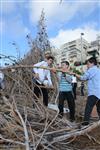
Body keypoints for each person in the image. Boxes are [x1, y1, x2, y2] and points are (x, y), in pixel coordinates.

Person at [74, 57, 100, 125]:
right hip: (99, 93)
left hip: (93, 93)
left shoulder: (91, 70)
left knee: (88, 109)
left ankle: (85, 124)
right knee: (99, 109)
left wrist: (75, 75)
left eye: (88, 64)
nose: (87, 66)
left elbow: (83, 78)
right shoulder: (98, 70)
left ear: (92, 63)